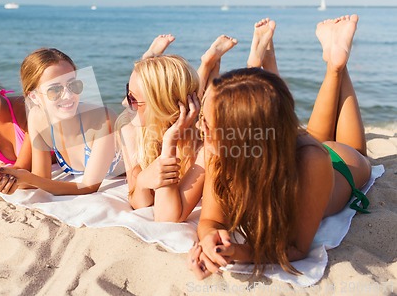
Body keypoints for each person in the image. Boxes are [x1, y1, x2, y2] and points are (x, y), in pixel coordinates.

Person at [189, 15, 371, 279]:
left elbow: (296, 247)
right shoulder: (220, 152)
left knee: (350, 149)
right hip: (282, 148)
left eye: (207, 123)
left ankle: (337, 66)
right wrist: (211, 241)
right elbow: (210, 221)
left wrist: (238, 252)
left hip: (341, 165)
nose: (200, 128)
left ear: (239, 136)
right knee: (307, 133)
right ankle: (333, 62)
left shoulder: (312, 162)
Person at [118, 34, 237, 222]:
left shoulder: (204, 142)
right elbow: (138, 201)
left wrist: (169, 142)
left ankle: (207, 64)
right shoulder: (131, 131)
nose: (125, 102)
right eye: (128, 94)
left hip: (181, 120)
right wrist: (141, 182)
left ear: (159, 106)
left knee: (201, 100)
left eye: (132, 99)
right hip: (165, 115)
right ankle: (202, 64)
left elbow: (169, 217)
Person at [0, 48, 122, 195]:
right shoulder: (37, 118)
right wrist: (11, 179)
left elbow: (89, 187)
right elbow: (42, 177)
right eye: (55, 90)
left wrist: (29, 179)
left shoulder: (103, 118)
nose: (68, 95)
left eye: (73, 85)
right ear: (33, 97)